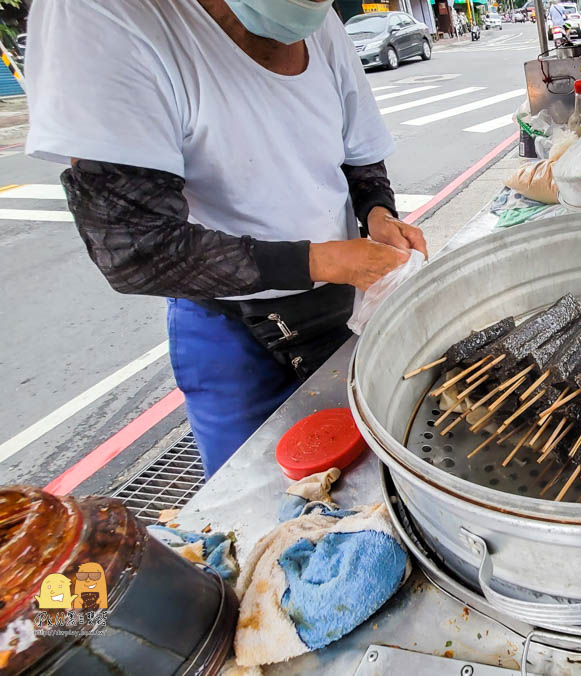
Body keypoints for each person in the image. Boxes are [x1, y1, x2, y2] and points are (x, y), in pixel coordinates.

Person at [24, 0, 426, 476]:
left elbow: (359, 152)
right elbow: (135, 250)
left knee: (365, 467)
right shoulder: (102, 15)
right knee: (251, 495)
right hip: (230, 332)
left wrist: (377, 212)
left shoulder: (318, 19)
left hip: (341, 305)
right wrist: (323, 260)